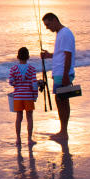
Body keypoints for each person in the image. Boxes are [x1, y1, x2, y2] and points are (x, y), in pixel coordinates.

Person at [40, 12, 75, 141]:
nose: (47, 28)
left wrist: (65, 75)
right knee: (62, 101)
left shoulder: (65, 33)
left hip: (63, 74)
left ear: (54, 20)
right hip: (60, 73)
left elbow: (68, 55)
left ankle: (63, 132)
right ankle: (63, 131)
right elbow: (61, 54)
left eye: (48, 24)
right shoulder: (61, 34)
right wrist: (49, 56)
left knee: (61, 101)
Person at [8, 46, 38, 148]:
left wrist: (17, 82)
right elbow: (34, 84)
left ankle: (18, 139)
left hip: (17, 97)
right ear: (28, 57)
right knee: (29, 118)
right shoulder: (31, 69)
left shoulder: (13, 69)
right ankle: (29, 139)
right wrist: (35, 96)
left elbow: (11, 82)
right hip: (28, 96)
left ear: (17, 57)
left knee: (18, 118)